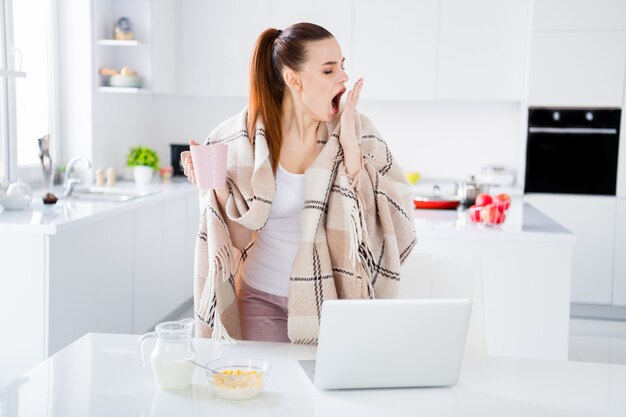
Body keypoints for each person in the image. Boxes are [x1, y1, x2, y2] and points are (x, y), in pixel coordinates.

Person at [180, 22, 416, 344]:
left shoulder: (356, 130)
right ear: (294, 79)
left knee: (323, 393)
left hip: (333, 300)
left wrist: (349, 147)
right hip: (261, 297)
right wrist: (214, 182)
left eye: (342, 67)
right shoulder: (244, 139)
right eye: (329, 70)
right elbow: (237, 236)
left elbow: (389, 214)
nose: (343, 77)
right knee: (268, 390)